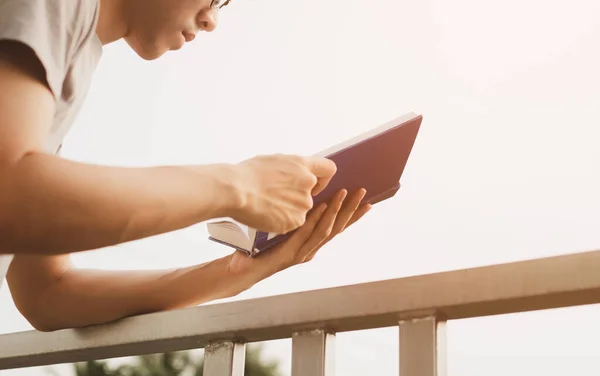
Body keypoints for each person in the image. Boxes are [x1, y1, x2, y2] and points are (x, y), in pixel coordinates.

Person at [0, 0, 371, 332]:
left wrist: (236, 273)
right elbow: (10, 194)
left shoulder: (69, 53)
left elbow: (49, 293)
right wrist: (240, 186)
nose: (211, 20)